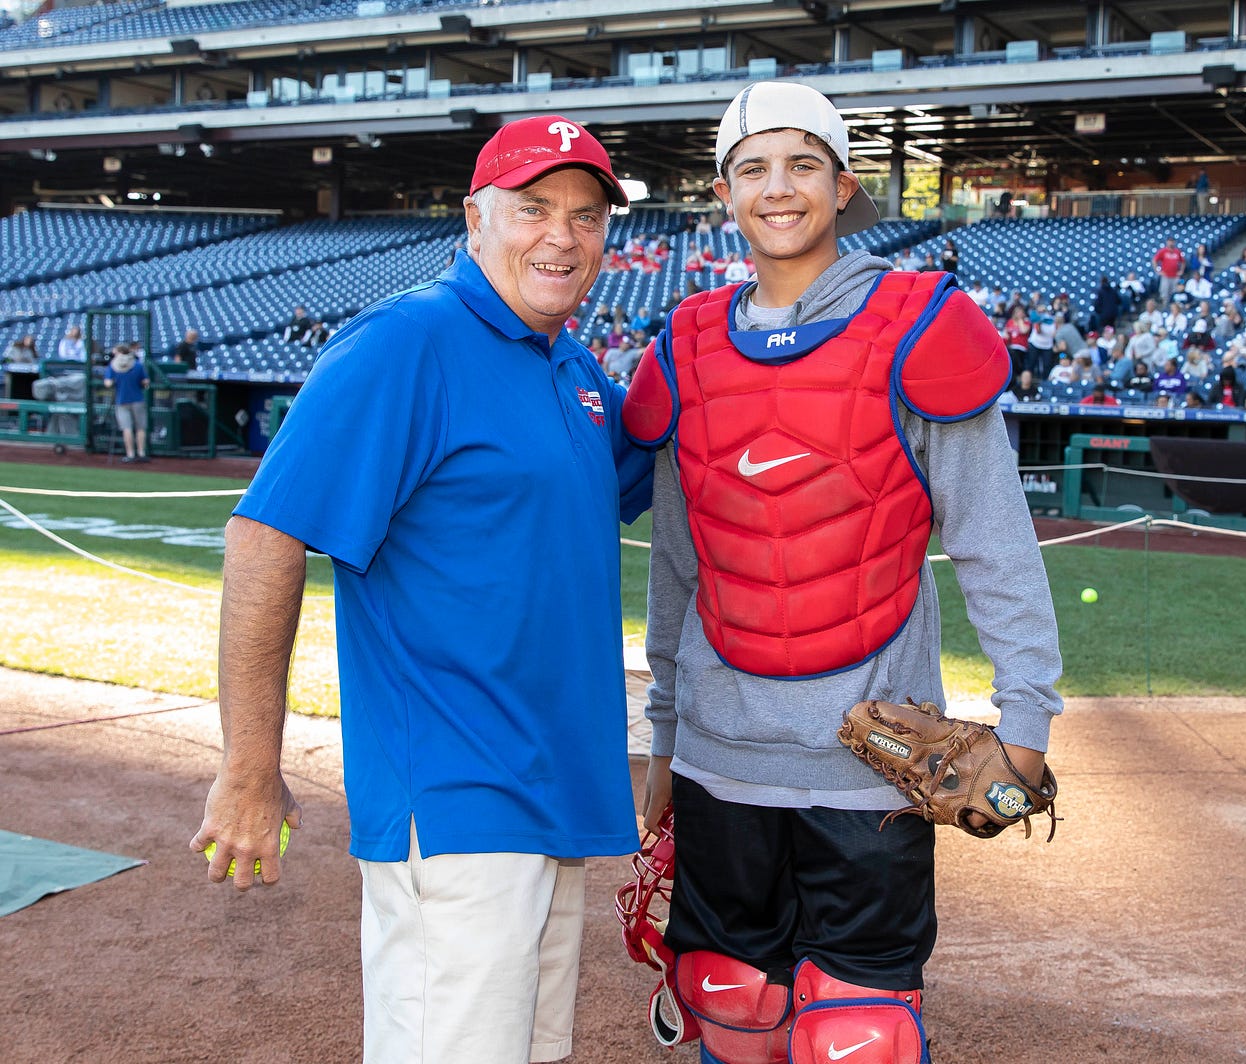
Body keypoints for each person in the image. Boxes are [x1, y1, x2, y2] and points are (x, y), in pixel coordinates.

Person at [190, 114, 653, 1064]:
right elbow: (263, 536)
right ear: (475, 222)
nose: (561, 236)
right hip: (457, 796)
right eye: (533, 209)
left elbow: (644, 480)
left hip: (551, 791)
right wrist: (247, 768)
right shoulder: (407, 343)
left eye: (587, 215)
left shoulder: (573, 368)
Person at [621, 81, 1062, 1064]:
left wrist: (1024, 723)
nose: (776, 188)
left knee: (855, 1032)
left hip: (864, 768)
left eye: (800, 164)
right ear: (723, 194)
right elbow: (677, 570)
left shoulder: (918, 324)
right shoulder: (683, 347)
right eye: (751, 169)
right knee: (729, 1005)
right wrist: (658, 739)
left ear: (843, 184)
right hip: (717, 758)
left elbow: (993, 540)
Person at [102, 343, 149, 463]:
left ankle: (130, 454)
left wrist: (114, 381)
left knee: (126, 428)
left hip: (122, 400)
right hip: (138, 399)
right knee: (140, 428)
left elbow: (107, 383)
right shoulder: (137, 365)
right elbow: (145, 381)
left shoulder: (113, 366)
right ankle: (141, 453)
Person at [1151, 235, 1184, 303]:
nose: (1171, 243)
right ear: (1167, 242)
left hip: (1175, 275)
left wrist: (1181, 271)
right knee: (1164, 293)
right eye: (1169, 241)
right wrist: (1157, 270)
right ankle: (1165, 306)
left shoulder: (1177, 251)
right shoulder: (1163, 251)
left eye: (1172, 241)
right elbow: (1154, 260)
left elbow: (1183, 262)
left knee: (1175, 293)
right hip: (1166, 275)